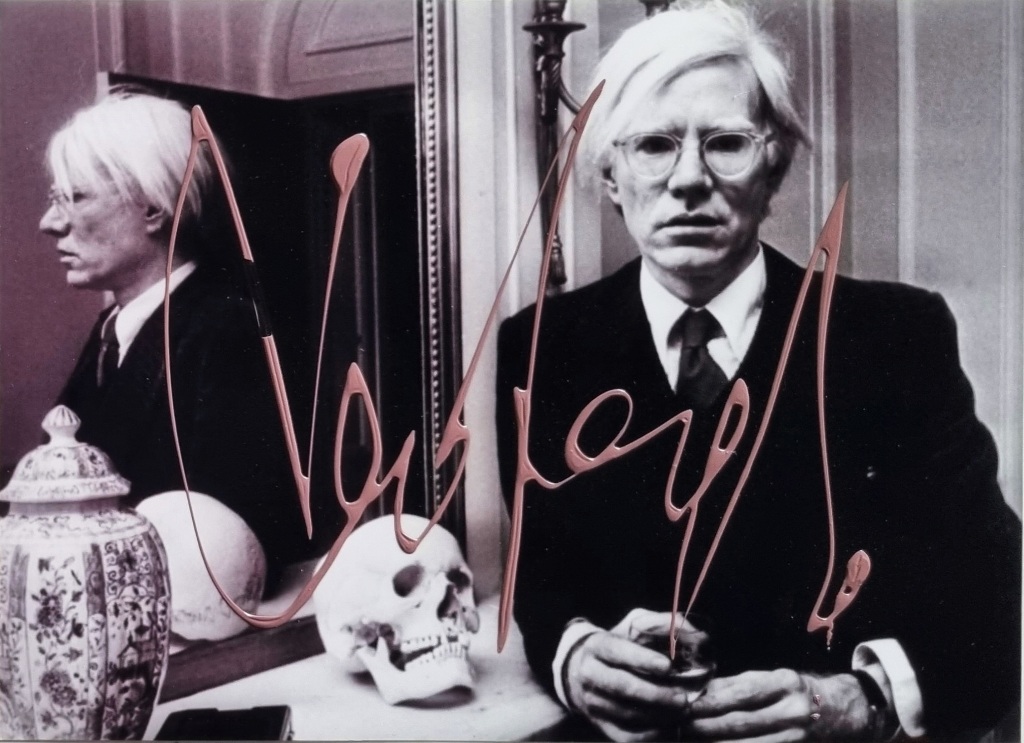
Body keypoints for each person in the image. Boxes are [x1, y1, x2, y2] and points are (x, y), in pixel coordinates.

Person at [496, 3, 1021, 740]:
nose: (688, 179)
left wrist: (864, 699)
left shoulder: (896, 338)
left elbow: (995, 594)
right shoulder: (541, 347)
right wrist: (573, 655)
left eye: (726, 143)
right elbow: (543, 582)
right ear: (610, 175)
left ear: (774, 167)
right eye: (653, 145)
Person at [39, 88, 330, 587]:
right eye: (54, 200)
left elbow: (233, 544)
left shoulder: (228, 332)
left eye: (75, 197)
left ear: (154, 209)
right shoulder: (113, 332)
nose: (50, 223)